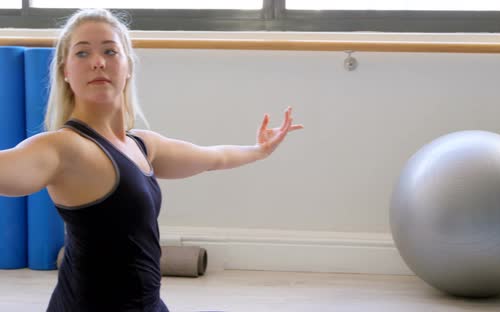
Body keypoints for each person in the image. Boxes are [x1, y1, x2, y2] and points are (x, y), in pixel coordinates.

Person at [0, 8, 303, 312]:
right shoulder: (64, 148)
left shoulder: (143, 145)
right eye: (82, 53)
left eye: (110, 51)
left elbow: (214, 157)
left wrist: (259, 149)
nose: (97, 62)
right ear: (65, 71)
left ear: (128, 66)